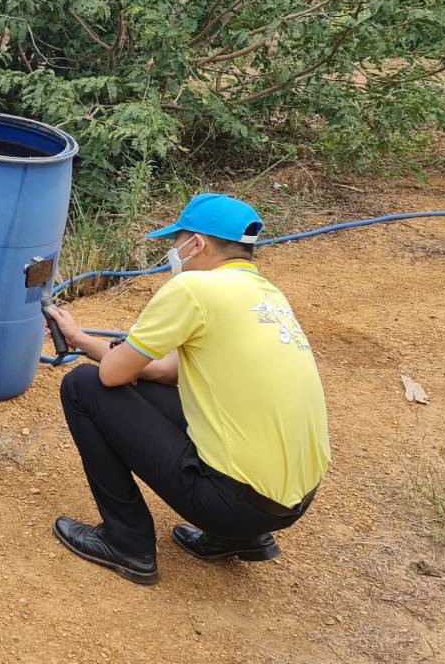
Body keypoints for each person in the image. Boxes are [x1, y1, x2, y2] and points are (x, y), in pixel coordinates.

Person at [44, 194, 330, 585]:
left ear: (197, 243)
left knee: (82, 385)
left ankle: (127, 544)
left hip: (232, 503)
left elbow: (110, 376)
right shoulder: (266, 297)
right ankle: (239, 539)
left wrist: (96, 356)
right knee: (170, 393)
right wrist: (79, 339)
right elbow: (164, 372)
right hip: (290, 502)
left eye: (175, 242)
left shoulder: (195, 288)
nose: (171, 252)